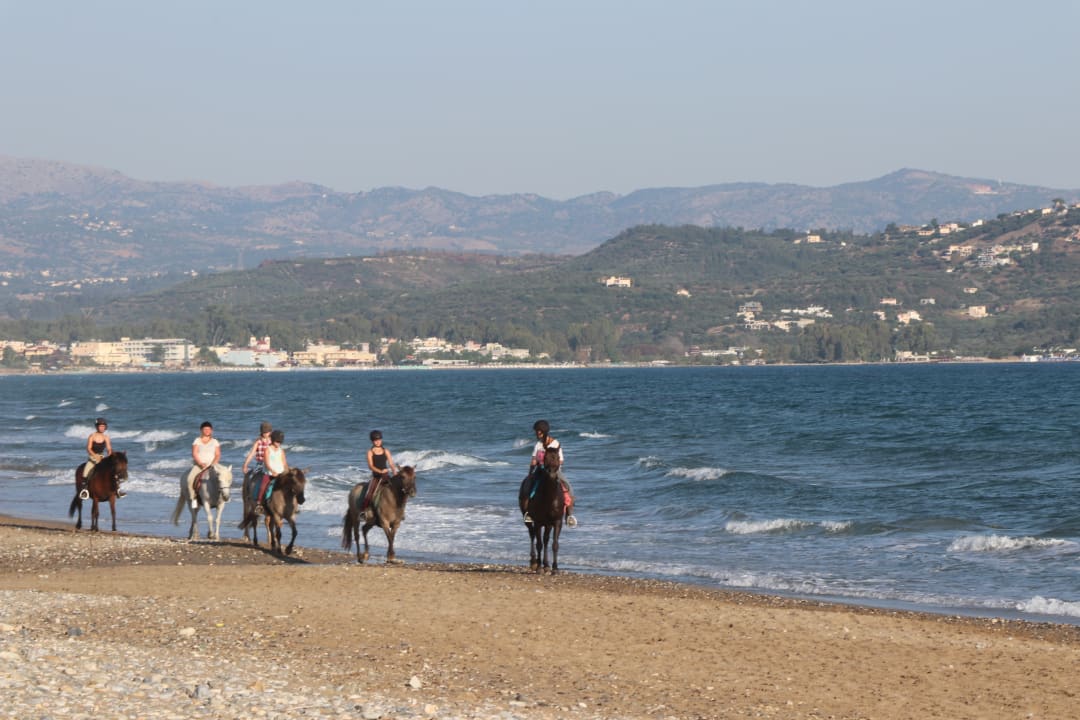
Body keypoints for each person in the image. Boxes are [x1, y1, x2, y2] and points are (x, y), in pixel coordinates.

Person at [522, 419, 576, 527]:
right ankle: (528, 512)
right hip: (540, 470)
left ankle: (569, 515)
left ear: (543, 431)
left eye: (538, 431)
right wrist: (531, 471)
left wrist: (551, 465)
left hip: (554, 470)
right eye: (536, 431)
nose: (536, 434)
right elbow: (533, 459)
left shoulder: (556, 444)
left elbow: (561, 460)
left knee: (569, 488)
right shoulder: (538, 445)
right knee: (528, 487)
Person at [185, 420, 221, 510]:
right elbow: (194, 453)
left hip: (212, 465)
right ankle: (193, 498)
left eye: (209, 429)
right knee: (190, 479)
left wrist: (213, 464)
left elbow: (217, 454)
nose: (207, 431)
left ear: (211, 430)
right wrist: (200, 463)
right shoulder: (197, 440)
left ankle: (221, 498)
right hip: (199, 465)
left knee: (223, 478)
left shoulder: (215, 441)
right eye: (205, 429)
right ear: (201, 430)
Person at [82, 417, 121, 497]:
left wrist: (109, 454)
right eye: (100, 426)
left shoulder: (106, 437)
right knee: (86, 470)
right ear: (97, 427)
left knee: (114, 469)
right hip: (93, 456)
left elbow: (109, 448)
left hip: (102, 457)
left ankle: (117, 489)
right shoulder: (92, 436)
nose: (102, 428)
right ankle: (85, 490)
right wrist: (95, 456)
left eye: (103, 426)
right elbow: (88, 448)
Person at [362, 430, 397, 512]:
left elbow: (391, 463)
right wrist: (380, 471)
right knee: (369, 494)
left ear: (381, 440)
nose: (377, 442)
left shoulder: (386, 451)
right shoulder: (370, 452)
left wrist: (394, 472)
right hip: (376, 477)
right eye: (375, 440)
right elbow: (370, 466)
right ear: (372, 441)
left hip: (386, 475)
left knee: (398, 490)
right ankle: (363, 512)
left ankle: (398, 511)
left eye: (379, 440)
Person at [254, 429, 288, 511]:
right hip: (269, 473)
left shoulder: (281, 451)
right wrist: (272, 471)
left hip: (280, 474)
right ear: (273, 440)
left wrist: (288, 471)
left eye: (280, 442)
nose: (278, 443)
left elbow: (284, 463)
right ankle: (259, 504)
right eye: (277, 441)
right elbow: (266, 463)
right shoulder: (268, 449)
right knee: (263, 486)